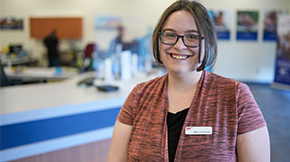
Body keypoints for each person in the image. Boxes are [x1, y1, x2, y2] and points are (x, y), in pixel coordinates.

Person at [107, 0, 270, 161]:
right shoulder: (139, 96)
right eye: (170, 35)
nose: (179, 45)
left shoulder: (236, 96)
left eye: (192, 37)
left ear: (209, 43)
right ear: (159, 39)